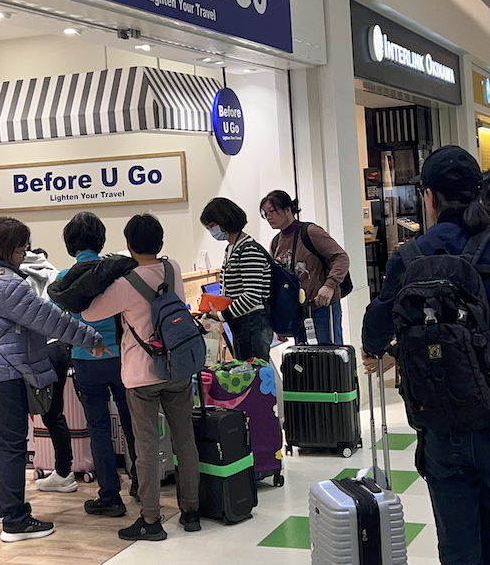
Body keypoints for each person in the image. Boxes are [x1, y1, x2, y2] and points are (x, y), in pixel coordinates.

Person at [362, 145, 490, 565]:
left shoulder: (410, 256)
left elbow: (375, 329)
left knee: (457, 546)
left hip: (441, 421)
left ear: (430, 198)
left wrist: (379, 351)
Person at [0, 217, 106, 543]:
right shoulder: (7, 285)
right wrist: (90, 338)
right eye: (21, 247)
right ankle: (16, 520)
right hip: (3, 375)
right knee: (11, 446)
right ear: (7, 248)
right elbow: (48, 319)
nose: (25, 253)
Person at [81, 214, 201, 541]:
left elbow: (90, 313)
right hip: (177, 368)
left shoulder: (125, 283)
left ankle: (150, 519)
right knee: (185, 440)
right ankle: (191, 511)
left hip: (141, 374)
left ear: (129, 245)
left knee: (146, 447)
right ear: (161, 243)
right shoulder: (173, 268)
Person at [54, 212, 138, 514]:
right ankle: (142, 483)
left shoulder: (64, 279)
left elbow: (55, 318)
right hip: (122, 357)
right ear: (100, 240)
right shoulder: (115, 272)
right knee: (133, 422)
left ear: (70, 243)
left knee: (98, 428)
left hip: (86, 360)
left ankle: (110, 496)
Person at [19, 247, 77, 494]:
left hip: (32, 350)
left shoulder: (16, 275)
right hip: (58, 347)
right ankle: (64, 472)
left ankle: (12, 484)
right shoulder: (54, 270)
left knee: (17, 417)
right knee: (55, 415)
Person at [260, 190, 349, 345]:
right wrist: (278, 318)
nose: (269, 217)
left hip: (321, 307)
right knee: (302, 356)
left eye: (272, 212)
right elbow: (276, 281)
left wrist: (329, 285)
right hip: (296, 312)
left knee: (329, 354)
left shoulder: (310, 232)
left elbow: (341, 257)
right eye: (265, 214)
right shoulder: (275, 243)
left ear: (288, 209)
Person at [200, 197, 272, 362]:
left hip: (253, 323)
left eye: (212, 226)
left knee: (254, 373)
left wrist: (222, 315)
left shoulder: (248, 249)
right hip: (241, 322)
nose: (211, 231)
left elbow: (251, 296)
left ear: (224, 221)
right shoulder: (232, 248)